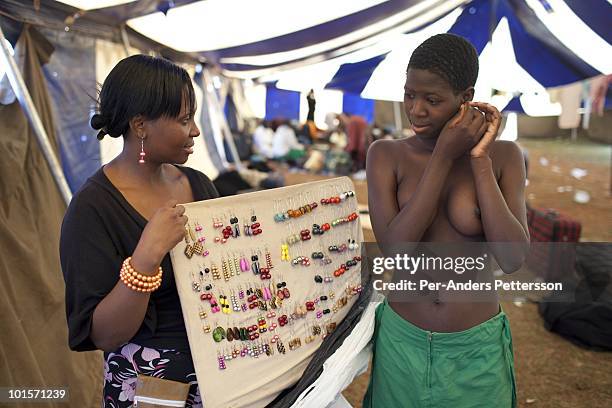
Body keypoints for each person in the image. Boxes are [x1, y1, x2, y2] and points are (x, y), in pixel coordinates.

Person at [363, 34, 530, 407]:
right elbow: (396, 252)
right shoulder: (386, 155)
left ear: (465, 97)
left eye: (432, 100)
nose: (416, 109)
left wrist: (479, 161)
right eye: (409, 95)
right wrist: (441, 158)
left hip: (475, 349)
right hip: (402, 342)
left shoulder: (503, 157)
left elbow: (513, 257)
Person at [60, 55, 219, 407]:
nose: (194, 131)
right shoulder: (92, 209)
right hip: (150, 387)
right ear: (140, 125)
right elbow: (104, 334)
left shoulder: (200, 186)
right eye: (184, 119)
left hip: (220, 374)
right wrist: (146, 257)